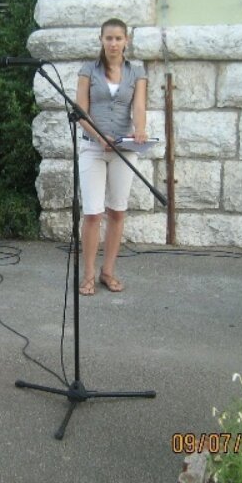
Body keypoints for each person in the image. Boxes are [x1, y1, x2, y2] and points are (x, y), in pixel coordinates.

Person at [75, 18, 148, 296]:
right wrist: (98, 136)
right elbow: (81, 111)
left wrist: (140, 130)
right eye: (109, 38)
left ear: (126, 41)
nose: (113, 43)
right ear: (101, 40)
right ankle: (88, 274)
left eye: (118, 38)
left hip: (123, 149)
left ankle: (108, 271)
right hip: (93, 148)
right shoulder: (88, 70)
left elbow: (139, 107)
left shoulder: (136, 72)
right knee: (93, 213)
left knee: (117, 211)